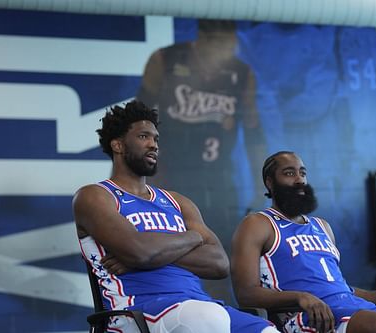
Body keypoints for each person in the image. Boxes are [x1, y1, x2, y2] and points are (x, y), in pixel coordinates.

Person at [72, 100, 279, 333]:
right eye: (143, 137)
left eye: (156, 139)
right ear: (118, 145)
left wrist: (151, 252)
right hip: (136, 311)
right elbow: (139, 252)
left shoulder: (177, 202)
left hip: (199, 306)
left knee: (267, 330)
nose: (153, 145)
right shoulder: (95, 196)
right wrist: (192, 239)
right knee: (208, 319)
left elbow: (219, 263)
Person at [230, 151, 376, 333]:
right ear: (270, 182)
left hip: (353, 307)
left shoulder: (322, 227)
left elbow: (337, 287)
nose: (299, 179)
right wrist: (301, 297)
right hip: (306, 317)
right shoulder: (258, 224)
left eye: (302, 172)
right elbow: (246, 293)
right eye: (289, 173)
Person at [136, 19, 266, 264]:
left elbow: (253, 131)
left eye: (230, 41)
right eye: (219, 41)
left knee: (219, 256)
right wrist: (121, 184)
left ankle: (217, 303)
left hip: (218, 180)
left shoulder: (242, 73)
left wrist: (262, 187)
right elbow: (134, 123)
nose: (226, 48)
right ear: (202, 36)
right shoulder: (166, 59)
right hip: (169, 175)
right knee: (166, 252)